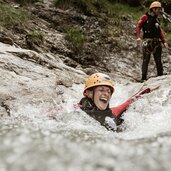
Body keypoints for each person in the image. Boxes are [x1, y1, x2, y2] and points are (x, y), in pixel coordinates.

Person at [79, 73, 151, 132]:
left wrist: (142, 93)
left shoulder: (112, 113)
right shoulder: (79, 112)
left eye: (109, 91)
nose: (106, 94)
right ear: (89, 93)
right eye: (101, 90)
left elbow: (128, 102)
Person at [136, 1, 169, 82]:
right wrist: (138, 37)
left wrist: (164, 41)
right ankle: (143, 78)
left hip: (157, 42)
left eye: (160, 9)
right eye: (158, 9)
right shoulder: (145, 17)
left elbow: (159, 31)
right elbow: (138, 26)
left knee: (158, 60)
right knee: (145, 60)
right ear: (153, 9)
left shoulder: (157, 19)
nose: (159, 11)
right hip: (147, 42)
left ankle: (160, 76)